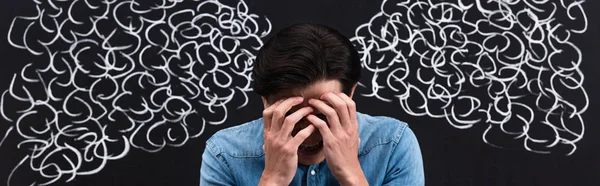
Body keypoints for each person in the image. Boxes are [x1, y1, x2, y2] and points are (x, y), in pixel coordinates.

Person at [200, 23, 424, 186]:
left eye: (324, 114)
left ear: (351, 93)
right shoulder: (225, 153)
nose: (308, 135)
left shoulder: (393, 144)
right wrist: (273, 179)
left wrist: (351, 174)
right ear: (265, 101)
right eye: (292, 115)